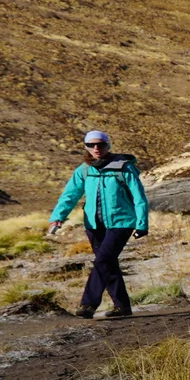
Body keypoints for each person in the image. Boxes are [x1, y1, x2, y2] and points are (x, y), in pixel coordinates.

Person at [47, 129, 148, 319]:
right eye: (91, 145)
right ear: (86, 147)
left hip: (121, 222)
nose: (96, 148)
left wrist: (142, 224)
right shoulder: (84, 170)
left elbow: (139, 197)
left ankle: (88, 304)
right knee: (108, 263)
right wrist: (57, 217)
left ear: (107, 145)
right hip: (93, 225)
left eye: (100, 144)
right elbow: (70, 195)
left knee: (102, 261)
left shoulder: (124, 167)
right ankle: (122, 306)